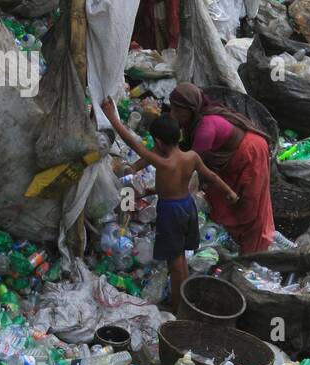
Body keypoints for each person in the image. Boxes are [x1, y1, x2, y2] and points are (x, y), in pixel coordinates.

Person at [100, 99, 238, 305]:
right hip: (187, 206)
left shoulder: (163, 162)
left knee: (174, 261)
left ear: (158, 142)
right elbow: (210, 176)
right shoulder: (191, 157)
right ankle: (183, 297)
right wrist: (230, 192)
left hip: (170, 211)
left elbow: (133, 144)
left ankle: (177, 305)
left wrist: (112, 118)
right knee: (180, 255)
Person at [168, 83, 275, 254]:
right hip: (231, 158)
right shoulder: (193, 121)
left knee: (250, 205)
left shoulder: (205, 128)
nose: (173, 114)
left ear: (191, 108)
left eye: (177, 110)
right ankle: (229, 239)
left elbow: (192, 167)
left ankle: (254, 252)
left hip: (251, 152)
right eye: (172, 109)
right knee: (223, 198)